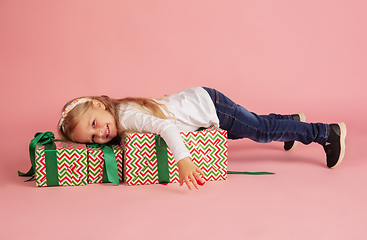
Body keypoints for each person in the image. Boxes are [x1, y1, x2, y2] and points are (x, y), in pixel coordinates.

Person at [58, 87, 347, 190]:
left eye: (95, 125)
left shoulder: (126, 117)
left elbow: (167, 129)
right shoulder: (117, 112)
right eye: (93, 139)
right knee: (252, 126)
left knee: (259, 131)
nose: (101, 134)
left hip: (210, 107)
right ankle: (291, 123)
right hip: (203, 107)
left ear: (98, 105)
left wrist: (183, 160)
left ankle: (325, 133)